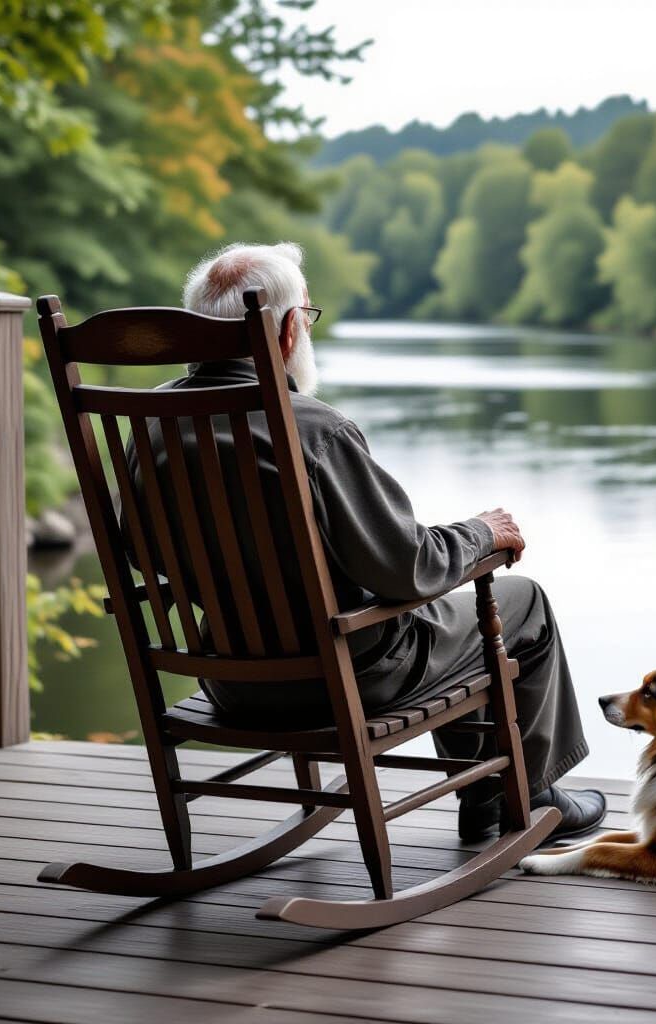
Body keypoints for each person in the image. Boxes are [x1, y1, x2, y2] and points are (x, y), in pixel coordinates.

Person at [126, 242, 605, 841]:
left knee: (444, 615)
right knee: (521, 600)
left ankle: (490, 793)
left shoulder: (152, 424)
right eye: (307, 315)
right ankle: (522, 797)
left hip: (229, 683)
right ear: (289, 330)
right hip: (346, 679)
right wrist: (482, 532)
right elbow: (407, 568)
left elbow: (138, 553)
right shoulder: (311, 429)